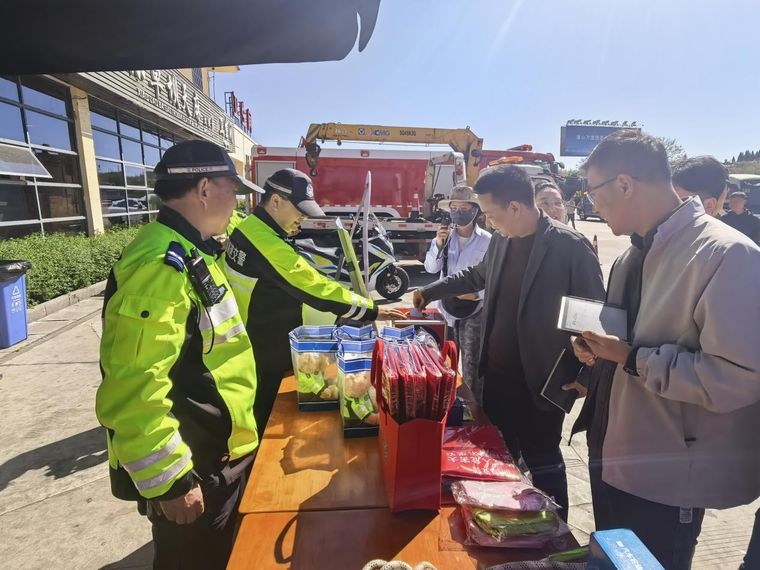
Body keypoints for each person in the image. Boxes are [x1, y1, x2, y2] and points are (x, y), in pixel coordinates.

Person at [570, 130, 760, 569]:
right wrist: (595, 348)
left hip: (666, 476)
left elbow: (736, 378)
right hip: (611, 454)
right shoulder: (630, 254)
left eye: (592, 191)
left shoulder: (727, 254)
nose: (589, 202)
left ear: (624, 184)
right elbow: (626, 336)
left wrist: (631, 358)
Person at [96, 140, 263, 569]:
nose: (237, 202)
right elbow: (134, 383)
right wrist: (170, 480)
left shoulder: (189, 248)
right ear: (204, 189)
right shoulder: (161, 264)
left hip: (217, 455)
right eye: (233, 190)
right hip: (195, 470)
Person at [413, 165, 605, 519]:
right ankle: (507, 524)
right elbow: (477, 275)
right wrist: (430, 291)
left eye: (491, 213)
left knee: (543, 461)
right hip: (498, 377)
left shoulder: (569, 246)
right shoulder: (502, 239)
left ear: (515, 207)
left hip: (541, 382)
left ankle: (554, 533)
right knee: (500, 459)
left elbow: (595, 317)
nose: (488, 221)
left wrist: (586, 377)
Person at [224, 168, 403, 434]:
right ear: (276, 201)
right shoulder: (267, 244)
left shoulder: (247, 227)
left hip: (251, 336)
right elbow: (315, 287)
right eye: (300, 210)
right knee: (270, 418)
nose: (304, 218)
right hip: (264, 347)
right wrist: (372, 310)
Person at [423, 186, 491, 402]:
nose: (458, 212)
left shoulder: (488, 241)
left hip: (474, 311)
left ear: (475, 210)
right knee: (444, 362)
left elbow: (493, 277)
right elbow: (431, 269)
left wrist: (477, 295)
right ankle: (447, 404)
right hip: (446, 310)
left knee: (472, 366)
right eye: (454, 208)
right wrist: (438, 244)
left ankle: (474, 408)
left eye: (464, 208)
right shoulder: (444, 239)